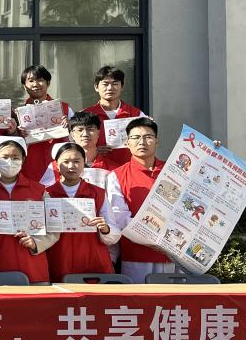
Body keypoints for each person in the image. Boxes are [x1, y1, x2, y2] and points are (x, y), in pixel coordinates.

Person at [0, 136, 57, 283]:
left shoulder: (38, 190)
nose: (10, 161)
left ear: (23, 160)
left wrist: (36, 242)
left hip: (33, 269)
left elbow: (54, 228)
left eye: (15, 157)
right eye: (5, 157)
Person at [106, 117, 177, 283]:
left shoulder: (173, 171)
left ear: (157, 142)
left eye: (148, 137)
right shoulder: (117, 175)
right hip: (137, 256)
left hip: (173, 252)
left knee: (175, 298)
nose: (142, 142)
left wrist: (214, 153)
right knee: (140, 297)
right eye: (136, 137)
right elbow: (120, 217)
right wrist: (152, 240)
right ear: (127, 142)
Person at [44, 143, 121, 281]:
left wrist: (105, 228)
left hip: (93, 260)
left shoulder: (97, 193)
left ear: (83, 163)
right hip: (58, 259)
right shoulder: (47, 194)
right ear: (56, 165)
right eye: (66, 161)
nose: (71, 166)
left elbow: (114, 235)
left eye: (76, 161)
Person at [16, 65, 73, 182]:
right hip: (29, 166)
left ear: (48, 83)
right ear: (24, 86)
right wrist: (19, 134)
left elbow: (76, 142)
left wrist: (69, 129)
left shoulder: (65, 109)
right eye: (31, 81)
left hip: (58, 165)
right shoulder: (18, 113)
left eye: (40, 80)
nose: (35, 84)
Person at [82, 65, 146, 165]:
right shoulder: (85, 114)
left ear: (122, 87)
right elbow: (75, 145)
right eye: (105, 84)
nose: (110, 88)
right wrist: (92, 151)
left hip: (128, 168)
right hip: (98, 169)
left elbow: (147, 141)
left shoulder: (137, 114)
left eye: (115, 83)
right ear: (96, 87)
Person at [38, 112, 117, 188]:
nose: (85, 134)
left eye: (90, 129)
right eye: (80, 130)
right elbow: (45, 193)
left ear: (98, 134)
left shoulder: (113, 168)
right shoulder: (57, 166)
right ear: (72, 135)